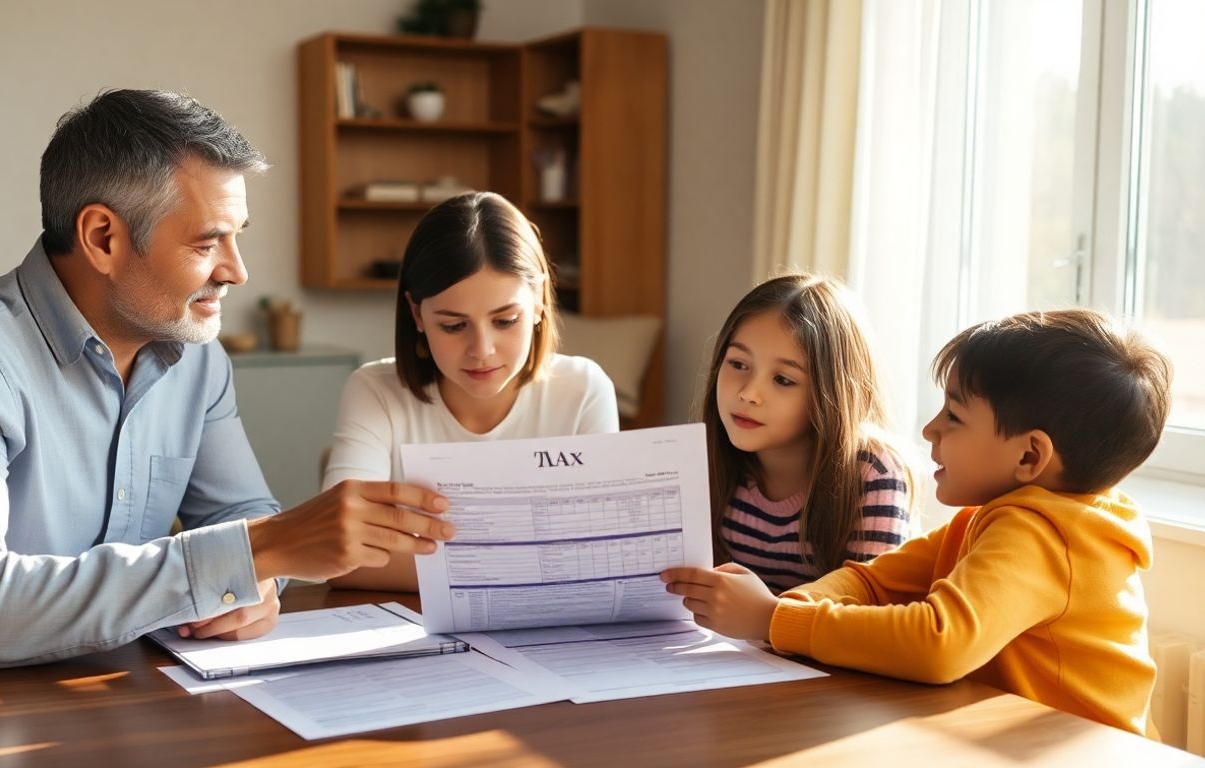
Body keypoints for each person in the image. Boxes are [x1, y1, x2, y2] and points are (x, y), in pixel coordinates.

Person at [0, 89, 454, 675]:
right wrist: (253, 553)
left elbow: (243, 516)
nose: (237, 271)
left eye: (239, 235)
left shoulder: (197, 359)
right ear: (103, 237)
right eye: (207, 241)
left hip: (117, 697)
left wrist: (257, 584)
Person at [663, 308, 1171, 735]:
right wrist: (788, 607)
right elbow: (872, 580)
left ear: (1029, 456)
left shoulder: (1041, 535)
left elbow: (939, 642)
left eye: (954, 416)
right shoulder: (990, 520)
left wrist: (773, 619)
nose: (929, 429)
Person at [322, 192, 619, 590]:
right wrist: (535, 561)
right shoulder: (375, 391)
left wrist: (432, 558)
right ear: (417, 315)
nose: (482, 351)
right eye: (453, 326)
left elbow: (603, 552)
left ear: (538, 303)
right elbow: (341, 554)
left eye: (505, 320)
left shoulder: (583, 389)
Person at [683, 274, 915, 594]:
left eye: (783, 380)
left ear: (830, 393)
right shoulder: (704, 457)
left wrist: (767, 617)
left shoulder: (871, 473)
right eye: (738, 363)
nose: (749, 393)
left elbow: (871, 614)